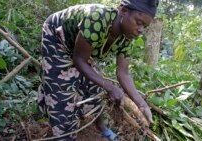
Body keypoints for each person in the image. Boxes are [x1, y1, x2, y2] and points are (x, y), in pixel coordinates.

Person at [37, 0, 159, 140]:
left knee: (95, 88)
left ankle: (101, 127)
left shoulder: (126, 37)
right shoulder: (97, 18)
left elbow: (123, 73)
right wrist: (110, 86)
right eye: (139, 22)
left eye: (145, 26)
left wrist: (142, 105)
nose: (141, 30)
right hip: (58, 38)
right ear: (124, 11)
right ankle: (64, 136)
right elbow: (79, 60)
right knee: (61, 91)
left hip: (82, 49)